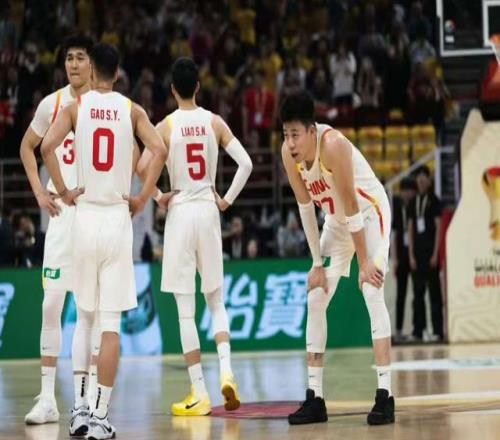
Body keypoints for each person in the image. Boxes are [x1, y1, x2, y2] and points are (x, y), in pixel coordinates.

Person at [41, 42, 167, 439]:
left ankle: (78, 411)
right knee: (110, 326)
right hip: (116, 218)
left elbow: (45, 147)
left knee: (84, 320)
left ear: (92, 71)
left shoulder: (75, 107)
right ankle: (99, 417)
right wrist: (142, 198)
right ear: (119, 73)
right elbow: (160, 149)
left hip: (84, 216)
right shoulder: (132, 110)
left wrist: (64, 190)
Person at [137, 57, 252, 416]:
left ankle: (199, 392)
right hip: (208, 210)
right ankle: (227, 371)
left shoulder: (165, 126)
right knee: (216, 302)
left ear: (172, 90)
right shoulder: (214, 122)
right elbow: (246, 163)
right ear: (198, 87)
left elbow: (141, 167)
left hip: (181, 212)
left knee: (186, 313)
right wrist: (226, 200)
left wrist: (158, 196)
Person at [280, 91, 395, 426]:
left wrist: (365, 262)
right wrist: (316, 264)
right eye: (285, 134)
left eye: (295, 134)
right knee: (315, 295)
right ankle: (315, 398)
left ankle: (385, 396)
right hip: (337, 221)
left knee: (371, 289)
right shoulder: (288, 155)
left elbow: (353, 205)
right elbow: (305, 209)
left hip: (369, 214)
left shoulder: (332, 146)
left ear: (311, 131)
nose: (290, 142)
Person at [20, 34, 101, 435]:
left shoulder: (104, 106)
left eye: (80, 58)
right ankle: (47, 397)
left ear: (92, 65)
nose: (73, 64)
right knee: (52, 304)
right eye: (69, 58)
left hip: (94, 213)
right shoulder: (51, 104)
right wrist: (39, 192)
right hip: (61, 213)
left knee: (90, 311)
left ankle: (90, 400)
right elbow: (27, 147)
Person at [408, 166, 443, 342]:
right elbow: (410, 229)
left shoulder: (434, 200)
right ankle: (418, 331)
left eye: (424, 178)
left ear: (429, 181)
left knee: (434, 294)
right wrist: (411, 255)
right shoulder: (413, 202)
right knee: (418, 295)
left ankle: (437, 331)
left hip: (431, 255)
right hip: (418, 255)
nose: (421, 181)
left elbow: (439, 228)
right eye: (419, 178)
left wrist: (436, 253)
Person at [391, 177, 416, 342]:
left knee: (417, 293)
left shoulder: (416, 206)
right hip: (401, 255)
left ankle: (417, 329)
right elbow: (394, 234)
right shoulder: (398, 207)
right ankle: (399, 330)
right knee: (401, 294)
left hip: (415, 255)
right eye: (404, 191)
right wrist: (394, 259)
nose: (407, 194)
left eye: (409, 191)